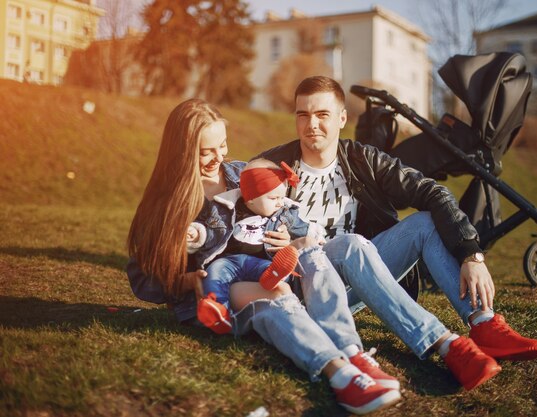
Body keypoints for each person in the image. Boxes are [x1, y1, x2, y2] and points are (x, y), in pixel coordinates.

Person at [256, 76, 537, 390]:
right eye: (303, 114)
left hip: (356, 278)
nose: (311, 124)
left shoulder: (362, 160)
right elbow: (234, 220)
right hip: (305, 288)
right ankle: (447, 346)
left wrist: (471, 254)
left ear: (342, 118)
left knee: (422, 223)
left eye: (321, 114)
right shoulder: (271, 165)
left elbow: (432, 192)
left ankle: (483, 323)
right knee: (352, 244)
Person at [126, 99, 401, 415]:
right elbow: (142, 277)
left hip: (261, 269)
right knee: (277, 294)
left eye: (223, 146)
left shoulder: (239, 173)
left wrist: (285, 236)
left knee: (312, 256)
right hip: (215, 293)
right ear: (184, 152)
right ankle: (340, 375)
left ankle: (353, 354)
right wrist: (185, 282)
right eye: (206, 152)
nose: (219, 157)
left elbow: (278, 210)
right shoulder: (167, 203)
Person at [187, 158, 322, 333]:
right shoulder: (226, 209)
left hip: (260, 263)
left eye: (282, 197)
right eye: (274, 198)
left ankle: (276, 275)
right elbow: (210, 230)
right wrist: (196, 233)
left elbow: (304, 227)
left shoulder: (284, 214)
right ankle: (218, 310)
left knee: (276, 269)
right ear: (250, 199)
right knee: (214, 273)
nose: (280, 202)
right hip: (229, 261)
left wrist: (316, 236)